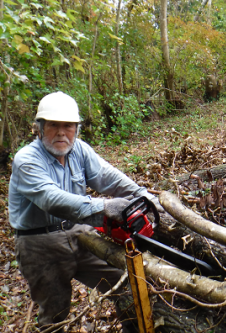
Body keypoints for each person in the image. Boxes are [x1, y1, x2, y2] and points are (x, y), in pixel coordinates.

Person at [9, 91, 160, 332]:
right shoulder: (26, 159)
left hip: (81, 233)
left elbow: (108, 178)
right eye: (53, 125)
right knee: (54, 315)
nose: (61, 132)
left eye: (68, 126)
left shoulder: (78, 150)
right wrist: (105, 206)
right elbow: (51, 199)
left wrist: (145, 196)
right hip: (39, 245)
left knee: (127, 283)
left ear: (76, 128)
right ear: (39, 128)